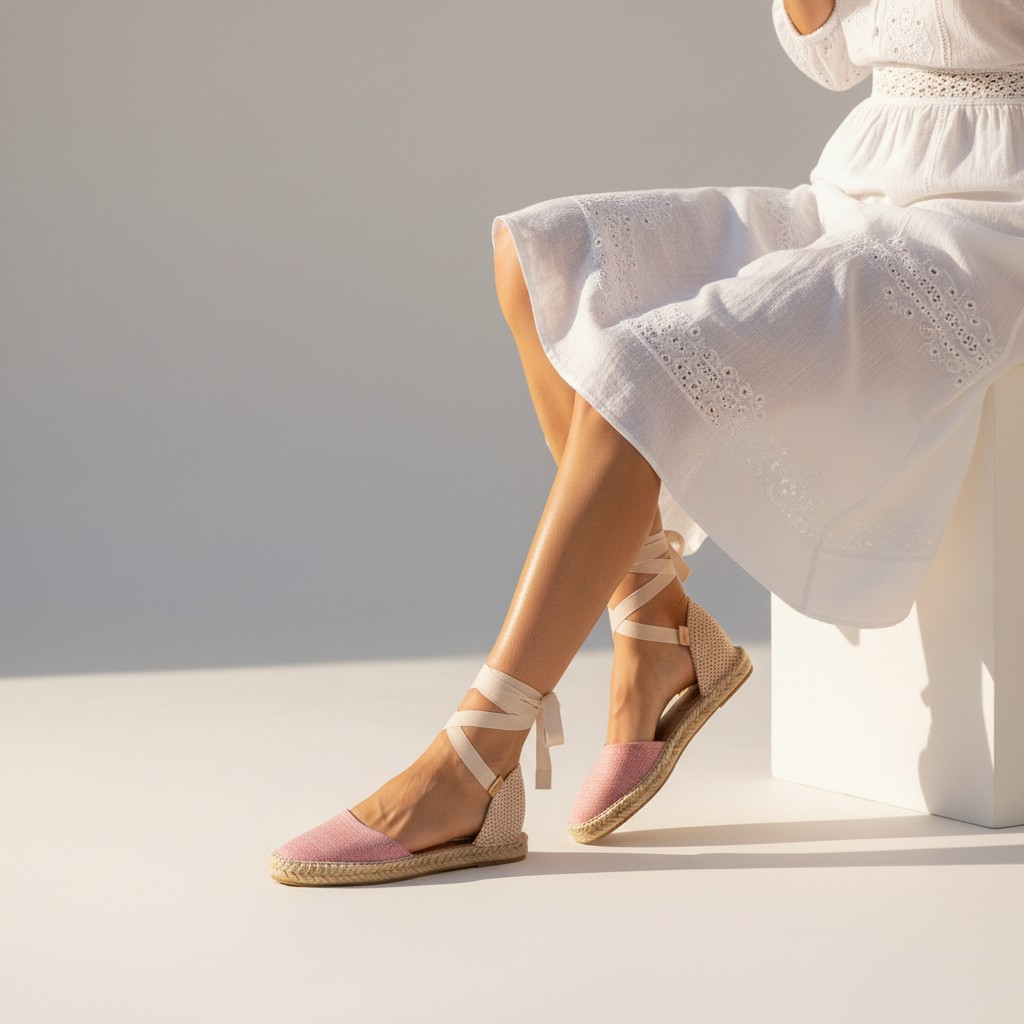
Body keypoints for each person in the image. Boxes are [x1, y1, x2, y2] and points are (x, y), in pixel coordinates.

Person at [269, 0, 1024, 885]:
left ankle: (475, 758)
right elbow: (829, 55)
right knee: (537, 257)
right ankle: (655, 620)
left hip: (989, 213)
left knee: (644, 369)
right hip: (862, 180)